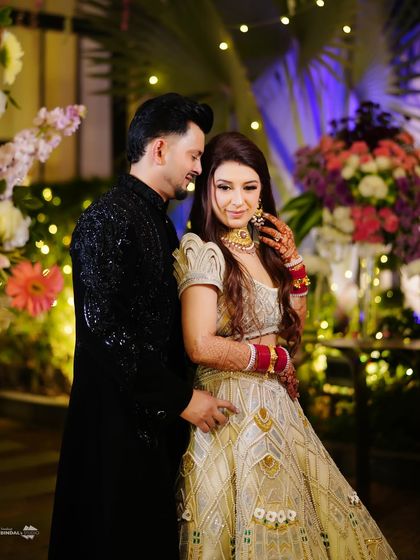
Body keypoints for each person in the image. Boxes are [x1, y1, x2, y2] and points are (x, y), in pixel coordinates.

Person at [173, 131, 397, 559]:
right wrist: (270, 358)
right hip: (229, 411)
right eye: (224, 187)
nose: (238, 200)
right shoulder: (202, 250)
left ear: (263, 190)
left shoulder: (265, 248)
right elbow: (200, 345)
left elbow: (292, 337)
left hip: (279, 407)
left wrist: (295, 270)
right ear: (206, 189)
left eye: (249, 187)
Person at [48, 93, 238, 560]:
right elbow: (105, 334)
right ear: (159, 149)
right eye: (193, 155)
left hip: (151, 428)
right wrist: (182, 400)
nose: (197, 167)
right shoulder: (106, 218)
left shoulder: (158, 221)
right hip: (115, 436)